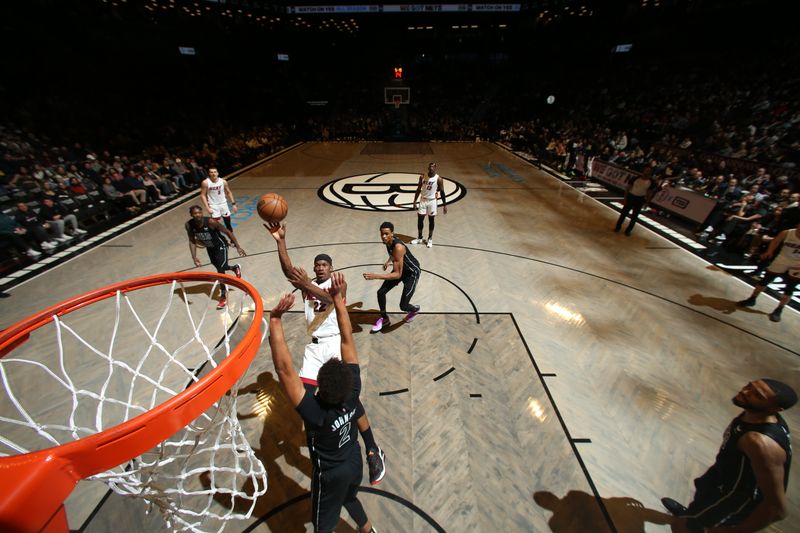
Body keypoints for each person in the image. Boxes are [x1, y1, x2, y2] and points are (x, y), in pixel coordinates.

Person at [266, 222, 387, 485]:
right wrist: (280, 242)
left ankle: (372, 449)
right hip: (315, 346)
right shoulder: (307, 282)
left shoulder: (337, 283)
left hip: (336, 343)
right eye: (317, 264)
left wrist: (306, 285)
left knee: (348, 397)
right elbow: (289, 270)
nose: (320, 266)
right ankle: (325, 447)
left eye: (324, 264)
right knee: (306, 399)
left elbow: (334, 300)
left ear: (330, 268)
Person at [267, 273, 377, 533]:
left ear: (318, 388)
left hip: (330, 475)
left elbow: (284, 370)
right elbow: (347, 338)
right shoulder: (353, 394)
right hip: (354, 461)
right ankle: (369, 531)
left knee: (322, 526)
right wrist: (338, 299)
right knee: (350, 498)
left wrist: (274, 320)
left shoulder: (314, 413)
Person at [661, 379, 795, 533]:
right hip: (721, 482)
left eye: (757, 395)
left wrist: (735, 531)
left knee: (681, 528)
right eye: (749, 386)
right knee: (693, 511)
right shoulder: (752, 413)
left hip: (733, 500)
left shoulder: (759, 443)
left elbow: (777, 509)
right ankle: (691, 515)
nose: (745, 392)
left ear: (775, 408)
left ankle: (690, 522)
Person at [363, 221, 421, 333]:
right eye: (382, 234)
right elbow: (393, 253)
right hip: (400, 269)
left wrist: (375, 276)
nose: (384, 236)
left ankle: (415, 310)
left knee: (403, 306)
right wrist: (389, 261)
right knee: (380, 293)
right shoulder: (389, 242)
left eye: (386, 234)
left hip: (411, 273)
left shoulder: (398, 247)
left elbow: (397, 275)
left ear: (392, 233)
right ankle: (384, 319)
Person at [736, 221, 800, 322]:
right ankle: (752, 299)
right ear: (797, 225)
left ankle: (779, 309)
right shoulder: (787, 232)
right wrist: (769, 251)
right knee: (765, 280)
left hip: (797, 263)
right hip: (782, 259)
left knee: (790, 288)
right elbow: (775, 241)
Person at [185, 205, 245, 310]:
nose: (198, 215)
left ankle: (223, 296)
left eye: (199, 212)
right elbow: (192, 241)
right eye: (195, 213)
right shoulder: (189, 225)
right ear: (191, 215)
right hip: (210, 248)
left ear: (202, 213)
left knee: (220, 270)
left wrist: (238, 247)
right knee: (222, 266)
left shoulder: (211, 222)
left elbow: (227, 232)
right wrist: (194, 257)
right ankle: (234, 268)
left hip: (221, 245)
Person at [411, 162, 447, 248]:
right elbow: (418, 189)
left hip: (432, 201)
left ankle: (430, 238)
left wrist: (445, 205)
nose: (431, 168)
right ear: (428, 168)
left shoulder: (439, 179)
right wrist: (414, 201)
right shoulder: (422, 176)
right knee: (420, 219)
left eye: (433, 167)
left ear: (435, 168)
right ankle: (420, 238)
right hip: (423, 200)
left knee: (431, 220)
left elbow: (442, 192)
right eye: (430, 167)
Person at [614, 166, 658, 236]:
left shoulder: (651, 182)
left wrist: (647, 202)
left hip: (640, 199)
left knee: (634, 216)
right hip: (631, 197)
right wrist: (625, 198)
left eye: (649, 171)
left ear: (650, 173)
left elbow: (650, 193)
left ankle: (628, 231)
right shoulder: (635, 178)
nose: (647, 172)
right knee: (623, 214)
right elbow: (628, 188)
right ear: (644, 171)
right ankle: (617, 227)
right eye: (646, 170)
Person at [200, 167, 237, 231]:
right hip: (213, 205)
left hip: (223, 204)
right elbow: (202, 195)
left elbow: (229, 192)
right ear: (209, 174)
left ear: (217, 173)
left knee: (228, 224)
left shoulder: (223, 181)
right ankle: (219, 237)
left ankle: (231, 237)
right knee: (215, 225)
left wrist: (233, 204)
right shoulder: (205, 182)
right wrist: (208, 208)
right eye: (211, 172)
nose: (213, 174)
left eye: (215, 172)